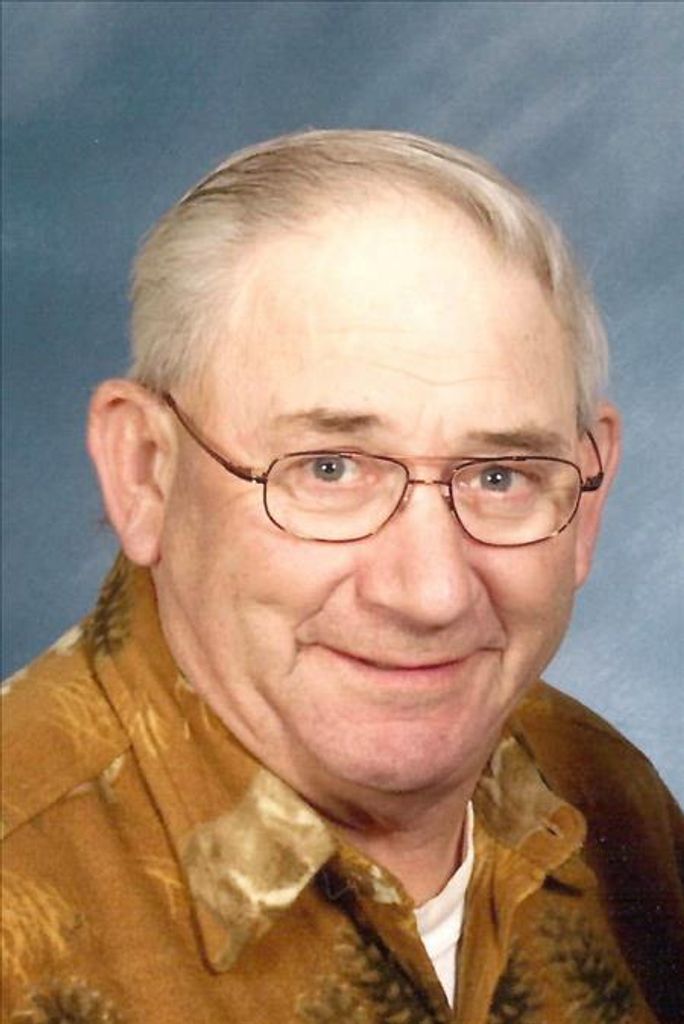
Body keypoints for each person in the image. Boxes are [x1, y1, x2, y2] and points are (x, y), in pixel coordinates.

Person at [2, 130, 682, 1024]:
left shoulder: (609, 800)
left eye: (499, 476)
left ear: (588, 498)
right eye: (329, 469)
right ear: (145, 473)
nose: (431, 593)